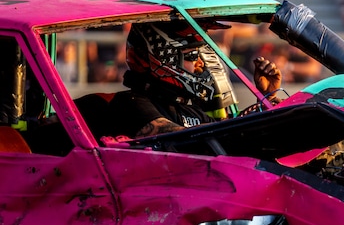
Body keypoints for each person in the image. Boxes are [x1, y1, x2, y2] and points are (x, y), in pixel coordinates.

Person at [90, 22, 282, 138]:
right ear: (163, 59)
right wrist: (250, 118)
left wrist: (265, 100)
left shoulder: (191, 109)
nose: (200, 64)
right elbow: (179, 136)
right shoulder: (131, 104)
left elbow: (226, 134)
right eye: (191, 57)